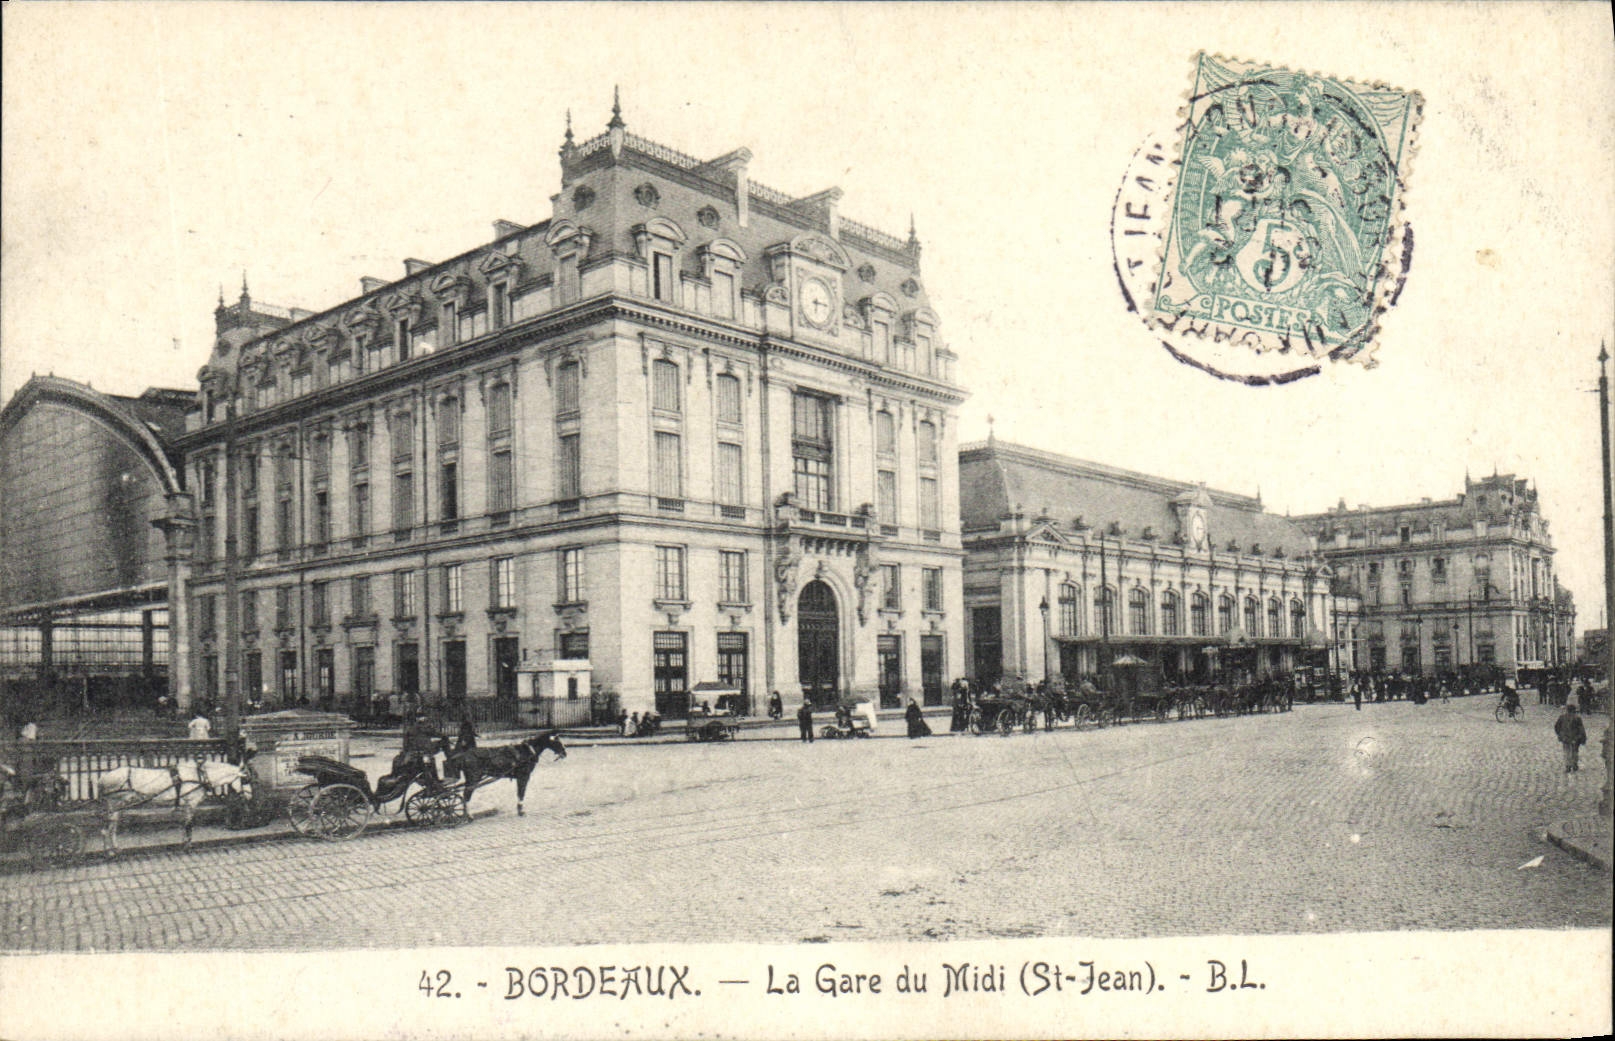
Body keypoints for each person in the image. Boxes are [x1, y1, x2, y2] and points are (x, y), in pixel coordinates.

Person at [1553, 702, 1587, 774]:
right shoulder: (1577, 718)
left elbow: (1556, 727)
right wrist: (1583, 738)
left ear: (1567, 710)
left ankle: (1568, 766)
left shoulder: (1562, 717)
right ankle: (1574, 764)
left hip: (1565, 737)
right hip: (1575, 737)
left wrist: (1560, 734)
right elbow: (1581, 729)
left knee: (1567, 751)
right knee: (1575, 751)